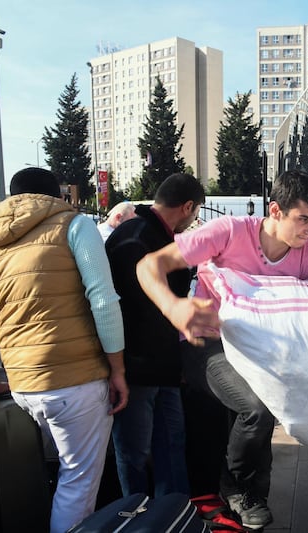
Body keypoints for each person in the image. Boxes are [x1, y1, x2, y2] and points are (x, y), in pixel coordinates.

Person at [136, 169, 308, 530]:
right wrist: (174, 308)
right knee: (256, 408)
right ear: (274, 210)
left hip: (259, 347)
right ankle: (235, 487)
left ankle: (248, 498)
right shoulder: (228, 232)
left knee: (267, 414)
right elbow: (150, 265)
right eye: (302, 219)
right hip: (206, 342)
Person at [0, 167, 128, 533]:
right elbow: (102, 299)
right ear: (58, 196)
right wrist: (117, 369)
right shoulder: (73, 225)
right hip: (77, 382)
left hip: (23, 388)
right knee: (78, 483)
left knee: (50, 472)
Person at [105, 173, 205, 498]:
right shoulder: (143, 239)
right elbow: (137, 309)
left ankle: (173, 513)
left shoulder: (133, 233)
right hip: (137, 368)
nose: (192, 222)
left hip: (157, 367)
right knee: (135, 451)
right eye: (195, 214)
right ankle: (137, 516)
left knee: (170, 445)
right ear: (187, 207)